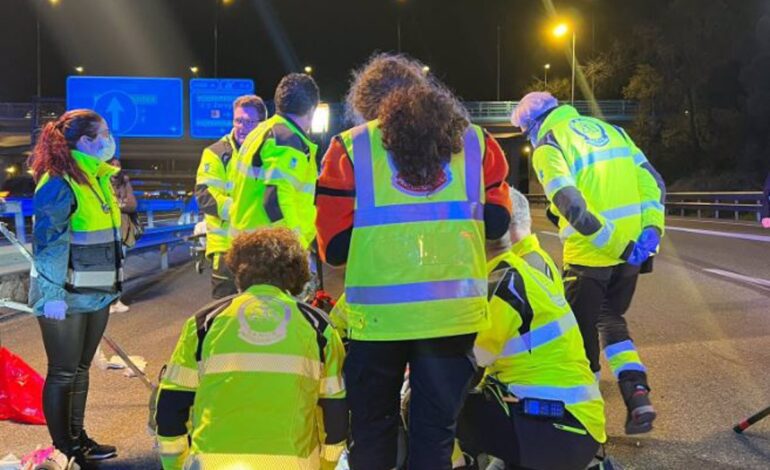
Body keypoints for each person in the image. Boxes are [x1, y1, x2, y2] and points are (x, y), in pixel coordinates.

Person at [316, 53, 511, 470]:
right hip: (453, 315)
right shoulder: (478, 144)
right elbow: (498, 223)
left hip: (378, 322)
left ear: (366, 106)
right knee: (435, 433)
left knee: (371, 429)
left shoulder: (349, 150)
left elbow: (332, 247)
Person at [511, 92, 666, 434]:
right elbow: (653, 183)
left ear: (533, 124)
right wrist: (650, 232)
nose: (529, 139)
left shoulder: (549, 144)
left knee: (580, 342)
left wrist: (619, 245)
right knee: (611, 319)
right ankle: (636, 391)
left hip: (592, 256)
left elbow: (572, 207)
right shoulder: (613, 132)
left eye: (525, 132)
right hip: (632, 255)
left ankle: (587, 427)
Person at [154, 227, 347, 470]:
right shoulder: (318, 328)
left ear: (238, 270)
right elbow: (334, 413)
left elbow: (171, 405)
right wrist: (327, 464)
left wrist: (175, 464)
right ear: (296, 273)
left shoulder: (204, 323)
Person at [456, 190, 606, 470]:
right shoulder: (520, 270)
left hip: (556, 428)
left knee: (432, 406)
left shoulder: (502, 284)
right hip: (574, 421)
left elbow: (466, 364)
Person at [27, 109, 122, 468]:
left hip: (94, 292)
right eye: (104, 133)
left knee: (81, 369)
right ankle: (64, 447)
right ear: (85, 141)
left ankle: (79, 439)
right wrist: (51, 296)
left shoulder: (96, 178)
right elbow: (49, 243)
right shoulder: (58, 181)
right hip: (63, 296)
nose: (109, 140)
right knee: (63, 372)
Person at [229, 74, 319, 250]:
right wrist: (296, 247)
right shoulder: (286, 139)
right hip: (271, 253)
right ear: (311, 110)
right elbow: (276, 200)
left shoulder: (260, 132)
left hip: (250, 245)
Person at [195, 94, 268, 298]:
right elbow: (205, 196)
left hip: (259, 246)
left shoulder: (269, 154)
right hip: (226, 248)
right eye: (238, 120)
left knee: (258, 310)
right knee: (224, 309)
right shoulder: (216, 153)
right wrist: (243, 211)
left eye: (248, 121)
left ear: (261, 124)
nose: (241, 126)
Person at [107, 157, 137, 313]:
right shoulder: (101, 182)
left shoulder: (125, 182)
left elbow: (132, 205)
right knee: (106, 267)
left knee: (119, 267)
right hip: (106, 230)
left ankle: (116, 300)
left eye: (118, 165)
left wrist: (117, 205)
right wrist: (120, 204)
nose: (116, 167)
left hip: (122, 230)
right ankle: (107, 301)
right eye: (112, 165)